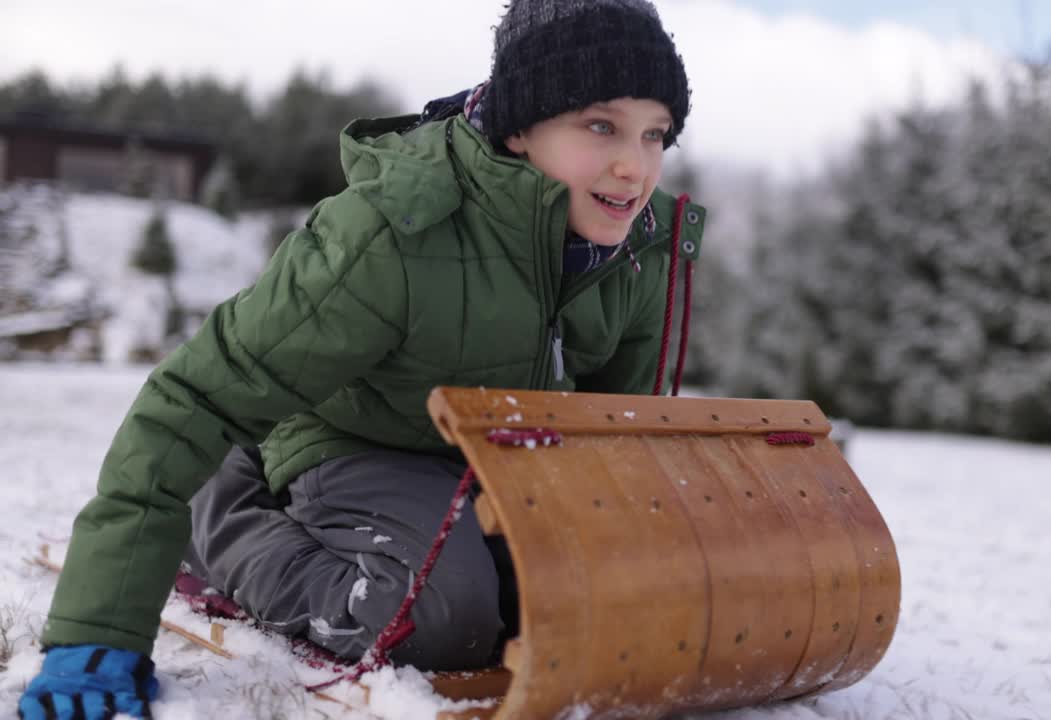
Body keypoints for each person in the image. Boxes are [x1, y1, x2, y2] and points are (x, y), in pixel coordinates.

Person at [18, 0, 706, 716]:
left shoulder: (637, 250)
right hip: (350, 440)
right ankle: (216, 513)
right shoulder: (392, 230)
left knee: (580, 602)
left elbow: (615, 437)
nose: (634, 167)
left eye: (656, 135)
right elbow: (199, 395)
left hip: (499, 465)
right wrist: (98, 631)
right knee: (439, 615)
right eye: (601, 126)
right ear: (521, 125)